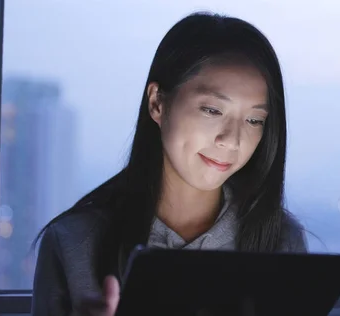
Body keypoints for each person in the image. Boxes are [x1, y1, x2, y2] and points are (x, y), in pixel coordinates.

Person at [30, 11, 307, 316]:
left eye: (254, 120)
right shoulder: (73, 243)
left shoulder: (280, 240)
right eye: (213, 110)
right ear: (157, 103)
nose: (232, 139)